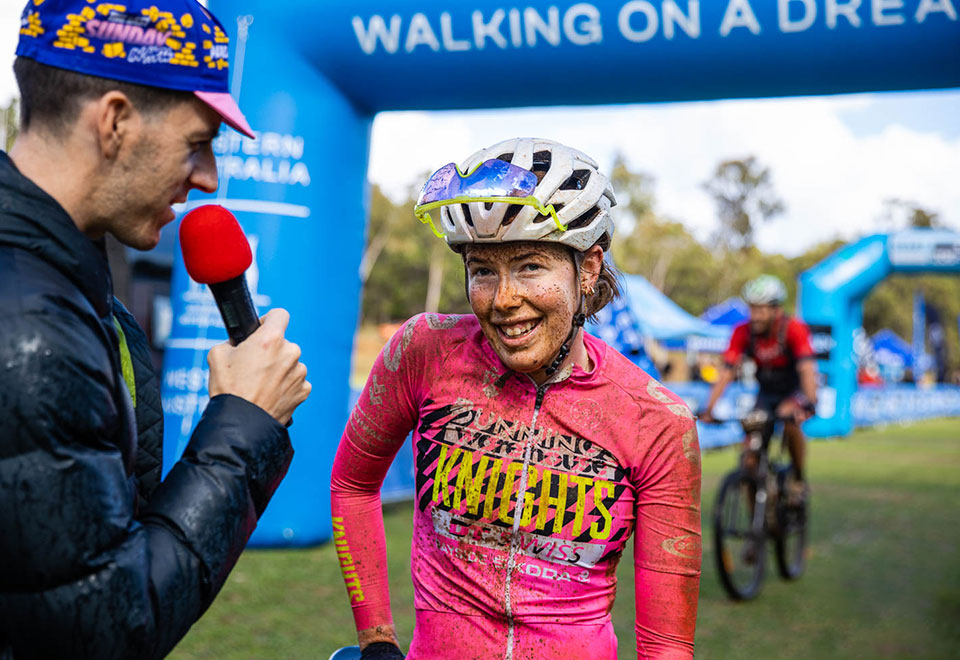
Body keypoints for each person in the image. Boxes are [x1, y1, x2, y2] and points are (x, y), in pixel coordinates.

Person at [0, 1, 311, 658]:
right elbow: (106, 629)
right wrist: (243, 423)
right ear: (113, 121)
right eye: (196, 145)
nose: (209, 180)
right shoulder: (29, 328)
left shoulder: (64, 280)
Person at [331, 138, 702, 659]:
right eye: (483, 270)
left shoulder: (655, 419)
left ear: (588, 268)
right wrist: (375, 640)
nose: (503, 300)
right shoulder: (423, 351)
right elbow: (352, 482)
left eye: (530, 266)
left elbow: (666, 647)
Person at [700, 275, 817, 491]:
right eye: (752, 309)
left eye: (761, 310)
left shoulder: (794, 329)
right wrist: (709, 409)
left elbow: (807, 369)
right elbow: (726, 372)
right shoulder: (742, 331)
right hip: (765, 393)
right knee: (749, 461)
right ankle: (759, 521)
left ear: (776, 310)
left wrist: (810, 401)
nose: (755, 316)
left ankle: (798, 477)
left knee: (790, 419)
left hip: (794, 390)